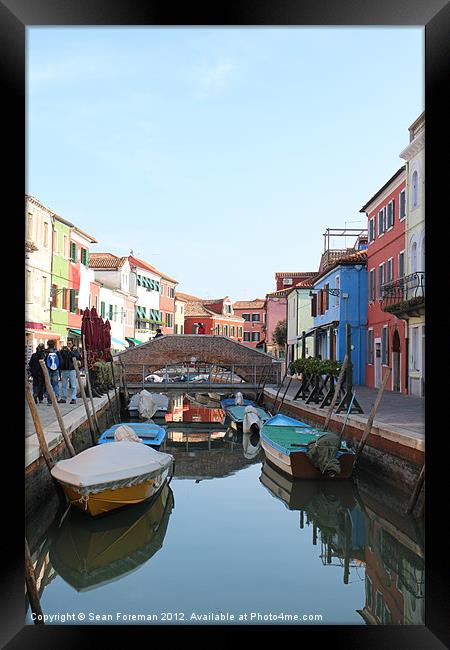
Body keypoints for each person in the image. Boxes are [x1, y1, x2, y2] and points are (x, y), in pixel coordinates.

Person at [58, 339, 81, 405]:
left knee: (73, 385)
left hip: (72, 370)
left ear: (72, 344)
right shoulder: (64, 350)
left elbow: (77, 356)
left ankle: (73, 398)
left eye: (70, 343)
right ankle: (63, 398)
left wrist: (70, 351)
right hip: (65, 369)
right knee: (64, 385)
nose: (68, 345)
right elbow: (61, 357)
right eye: (67, 343)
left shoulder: (74, 351)